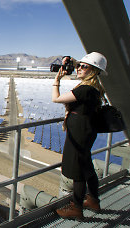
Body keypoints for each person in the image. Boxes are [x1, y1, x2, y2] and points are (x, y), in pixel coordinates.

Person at [51, 52, 107, 220]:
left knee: (78, 171)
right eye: (79, 66)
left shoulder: (85, 89)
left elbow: (57, 99)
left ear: (94, 71)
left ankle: (76, 209)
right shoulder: (94, 88)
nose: (79, 68)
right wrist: (72, 61)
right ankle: (93, 200)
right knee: (86, 166)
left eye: (84, 66)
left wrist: (56, 81)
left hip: (80, 133)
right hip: (85, 131)